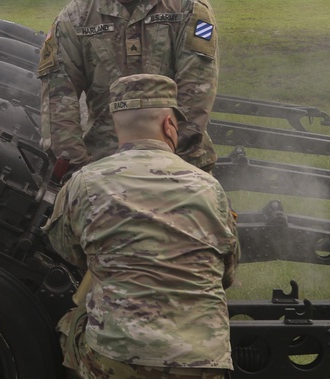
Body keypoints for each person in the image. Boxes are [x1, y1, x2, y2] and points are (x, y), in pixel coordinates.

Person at [43, 73, 239, 379]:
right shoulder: (210, 188)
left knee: (74, 320)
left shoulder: (84, 183)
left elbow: (69, 252)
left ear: (117, 128)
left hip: (117, 359)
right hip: (202, 361)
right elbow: (226, 272)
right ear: (169, 125)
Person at [38, 0, 219, 173]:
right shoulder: (75, 18)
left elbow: (197, 92)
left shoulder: (188, 4)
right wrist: (81, 175)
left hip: (182, 167)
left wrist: (172, 168)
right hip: (104, 172)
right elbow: (58, 107)